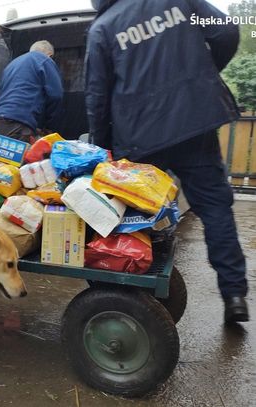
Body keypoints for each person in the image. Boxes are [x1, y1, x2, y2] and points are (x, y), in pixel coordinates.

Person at [85, 0, 249, 323]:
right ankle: (234, 295)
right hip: (193, 125)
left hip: (138, 137)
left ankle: (138, 288)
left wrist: (102, 151)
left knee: (138, 215)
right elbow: (228, 31)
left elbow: (97, 96)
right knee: (215, 207)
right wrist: (201, 80)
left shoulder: (103, 28)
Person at [0, 40, 64, 144]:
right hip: (19, 123)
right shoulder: (45, 61)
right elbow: (56, 96)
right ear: (50, 55)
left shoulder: (12, 64)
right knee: (19, 159)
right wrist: (48, 127)